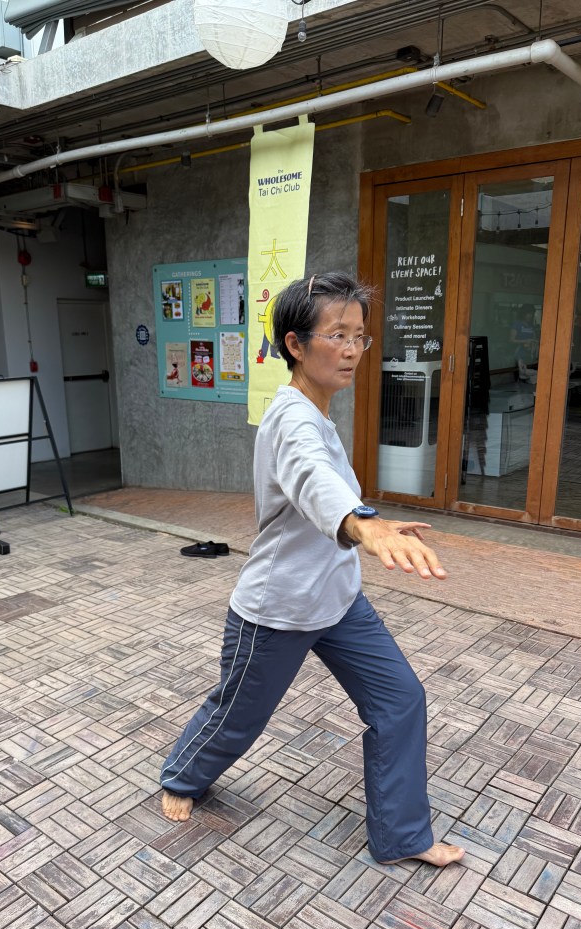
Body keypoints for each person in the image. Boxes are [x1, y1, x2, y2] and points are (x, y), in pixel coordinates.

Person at [160, 272, 464, 868]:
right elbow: (311, 480)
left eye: (360, 336)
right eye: (337, 335)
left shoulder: (317, 412)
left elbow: (325, 488)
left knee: (400, 700)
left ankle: (403, 835)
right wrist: (364, 526)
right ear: (295, 345)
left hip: (339, 598)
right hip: (280, 607)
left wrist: (372, 522)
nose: (352, 350)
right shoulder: (292, 420)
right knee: (239, 713)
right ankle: (183, 775)